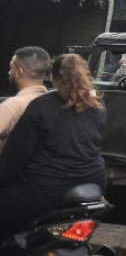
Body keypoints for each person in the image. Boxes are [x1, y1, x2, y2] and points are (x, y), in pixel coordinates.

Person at [0, 54, 106, 237]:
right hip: (94, 182)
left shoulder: (41, 106)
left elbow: (14, 158)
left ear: (52, 78)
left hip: (48, 188)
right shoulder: (98, 102)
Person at [0, 46, 50, 154]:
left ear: (20, 72)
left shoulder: (12, 106)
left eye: (11, 68)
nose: (9, 73)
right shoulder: (54, 103)